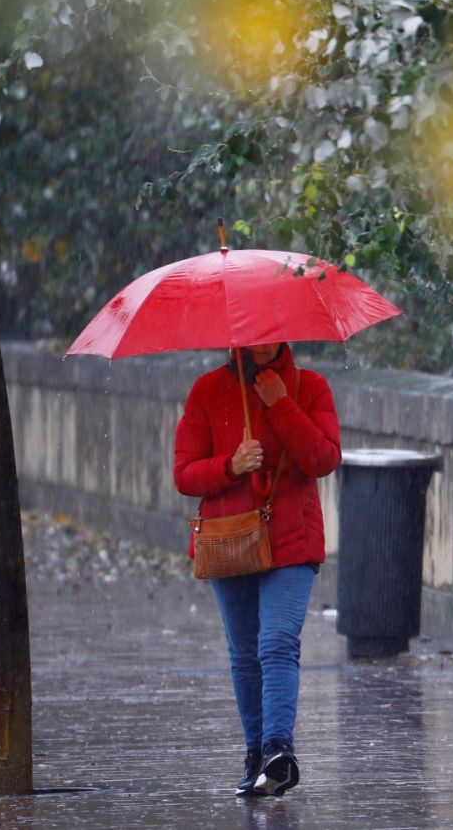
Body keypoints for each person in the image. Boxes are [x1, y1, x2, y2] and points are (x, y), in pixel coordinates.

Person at [173, 341, 342, 796]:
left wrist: (281, 404)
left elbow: (323, 459)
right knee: (245, 651)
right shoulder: (207, 390)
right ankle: (255, 756)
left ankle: (277, 749)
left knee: (278, 642)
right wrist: (231, 465)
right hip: (230, 538)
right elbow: (184, 474)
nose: (263, 340)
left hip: (292, 539)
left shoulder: (310, 387)